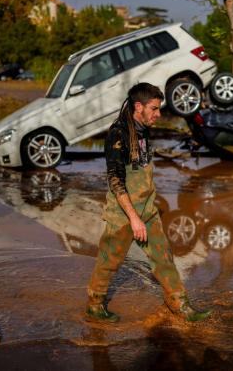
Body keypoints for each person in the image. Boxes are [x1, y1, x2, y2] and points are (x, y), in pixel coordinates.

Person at [86, 82, 211, 323]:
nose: (158, 114)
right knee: (109, 262)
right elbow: (115, 180)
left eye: (159, 108)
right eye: (154, 108)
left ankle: (179, 303)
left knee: (163, 257)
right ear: (138, 106)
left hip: (148, 209)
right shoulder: (118, 133)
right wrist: (134, 219)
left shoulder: (143, 129)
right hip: (123, 214)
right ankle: (95, 304)